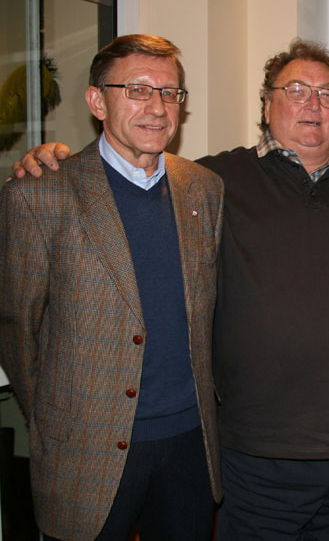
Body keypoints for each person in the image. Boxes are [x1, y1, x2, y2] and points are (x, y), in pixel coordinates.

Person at [16, 38, 329, 540]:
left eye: (328, 94)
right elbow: (20, 327)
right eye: (296, 90)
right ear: (267, 104)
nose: (314, 104)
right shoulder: (215, 181)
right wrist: (51, 158)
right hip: (252, 448)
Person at [0, 34, 224, 541]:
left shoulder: (203, 188)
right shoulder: (40, 193)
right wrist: (60, 418)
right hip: (87, 449)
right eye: (138, 90)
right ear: (98, 101)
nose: (157, 107)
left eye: (170, 93)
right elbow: (17, 327)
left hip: (190, 444)